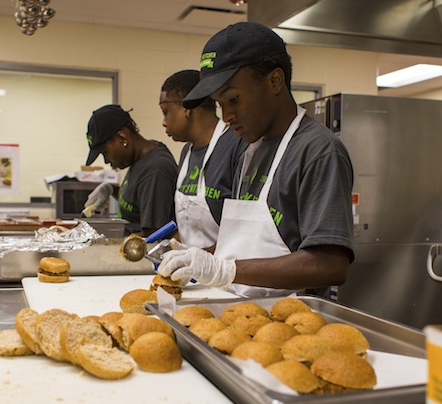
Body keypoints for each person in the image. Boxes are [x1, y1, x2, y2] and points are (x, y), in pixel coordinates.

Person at [158, 22, 355, 298]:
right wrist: (199, 259)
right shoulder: (248, 148)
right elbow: (245, 249)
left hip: (287, 324)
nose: (226, 116)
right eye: (220, 104)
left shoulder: (317, 151)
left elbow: (330, 264)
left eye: (234, 100)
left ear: (274, 81)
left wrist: (226, 270)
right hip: (239, 311)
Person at [159, 69, 247, 249]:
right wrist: (169, 248)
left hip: (226, 271)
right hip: (190, 271)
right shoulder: (187, 152)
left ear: (187, 109)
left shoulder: (236, 145)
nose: (163, 121)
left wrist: (200, 260)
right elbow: (188, 228)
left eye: (166, 111)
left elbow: (243, 233)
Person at [83, 104, 177, 237]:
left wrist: (107, 244)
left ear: (122, 138)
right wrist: (111, 189)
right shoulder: (140, 160)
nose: (106, 161)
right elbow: (138, 200)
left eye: (105, 153)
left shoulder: (155, 170)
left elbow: (152, 238)